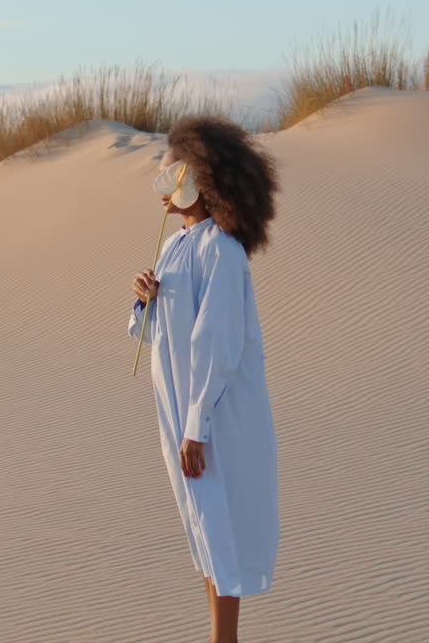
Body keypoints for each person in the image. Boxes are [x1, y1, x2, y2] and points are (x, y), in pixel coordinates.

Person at [127, 114, 280, 643]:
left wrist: (198, 425)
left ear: (201, 181)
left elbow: (217, 343)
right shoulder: (173, 248)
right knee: (201, 525)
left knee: (220, 523)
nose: (161, 190)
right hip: (180, 413)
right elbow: (153, 334)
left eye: (169, 177)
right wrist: (143, 297)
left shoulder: (222, 250)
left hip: (213, 417)